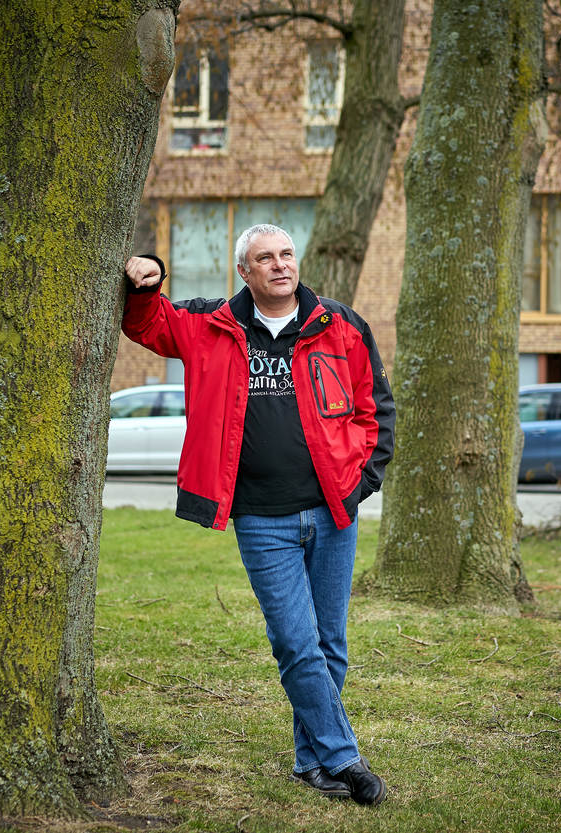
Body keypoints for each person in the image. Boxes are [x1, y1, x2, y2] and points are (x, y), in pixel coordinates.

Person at [120, 224, 395, 806]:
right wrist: (148, 278)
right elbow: (148, 325)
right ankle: (345, 758)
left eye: (286, 254)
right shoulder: (212, 323)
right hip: (261, 518)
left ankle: (310, 762)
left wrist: (360, 482)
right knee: (296, 641)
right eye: (265, 258)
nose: (280, 265)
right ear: (244, 272)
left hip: (332, 510)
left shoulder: (339, 324)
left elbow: (374, 407)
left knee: (330, 641)